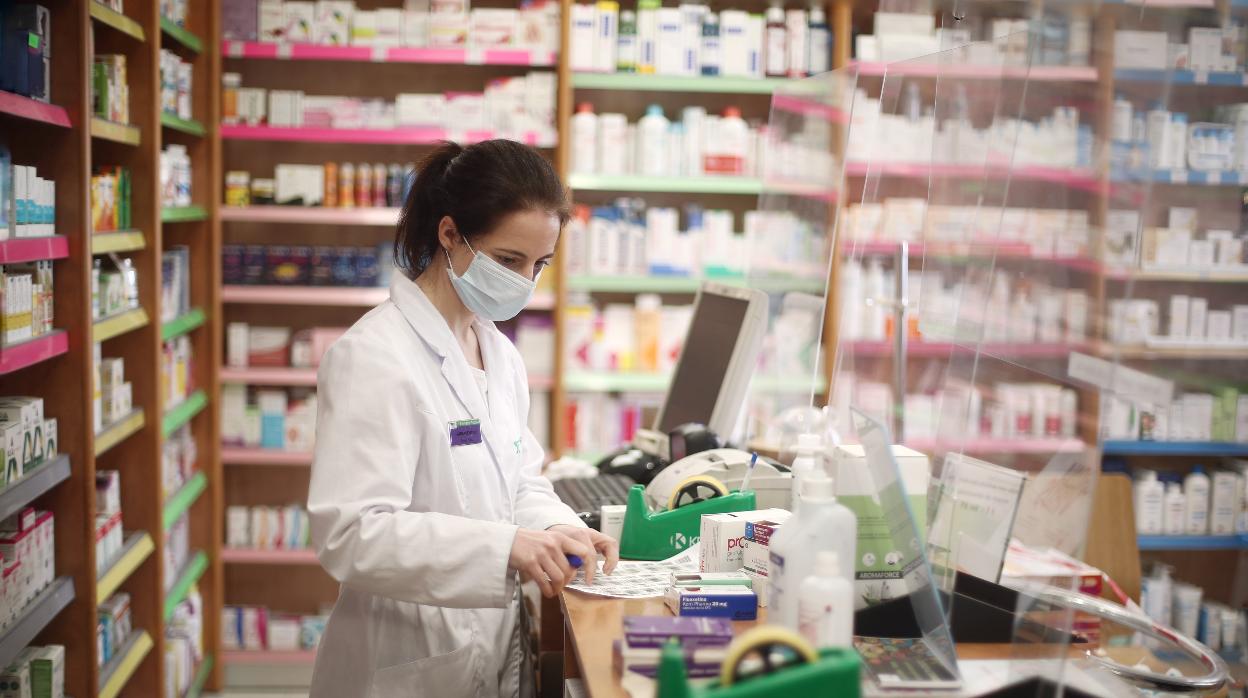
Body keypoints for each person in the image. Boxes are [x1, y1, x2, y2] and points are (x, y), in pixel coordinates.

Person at [307, 140, 619, 698]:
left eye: (538, 265)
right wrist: (504, 549)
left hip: (488, 642)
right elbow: (351, 534)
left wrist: (555, 526)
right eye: (508, 261)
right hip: (404, 653)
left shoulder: (497, 352)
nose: (525, 282)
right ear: (449, 234)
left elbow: (518, 478)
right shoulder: (375, 357)